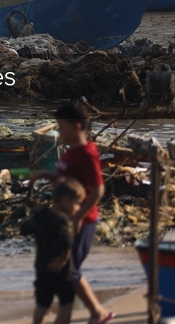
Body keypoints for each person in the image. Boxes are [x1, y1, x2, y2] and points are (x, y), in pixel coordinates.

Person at [31, 102, 113, 324]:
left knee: (69, 270)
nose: (58, 131)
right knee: (69, 270)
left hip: (82, 220)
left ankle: (97, 314)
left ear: (76, 126)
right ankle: (98, 313)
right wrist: (46, 175)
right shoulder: (69, 153)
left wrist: (77, 218)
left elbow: (98, 189)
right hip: (64, 219)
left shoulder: (87, 154)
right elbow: (65, 182)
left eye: (61, 126)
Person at [20, 178, 86, 324]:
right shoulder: (64, 221)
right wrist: (64, 259)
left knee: (42, 304)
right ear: (65, 199)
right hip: (62, 270)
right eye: (76, 204)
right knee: (67, 303)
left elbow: (24, 228)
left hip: (42, 267)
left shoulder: (40, 215)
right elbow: (67, 241)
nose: (77, 209)